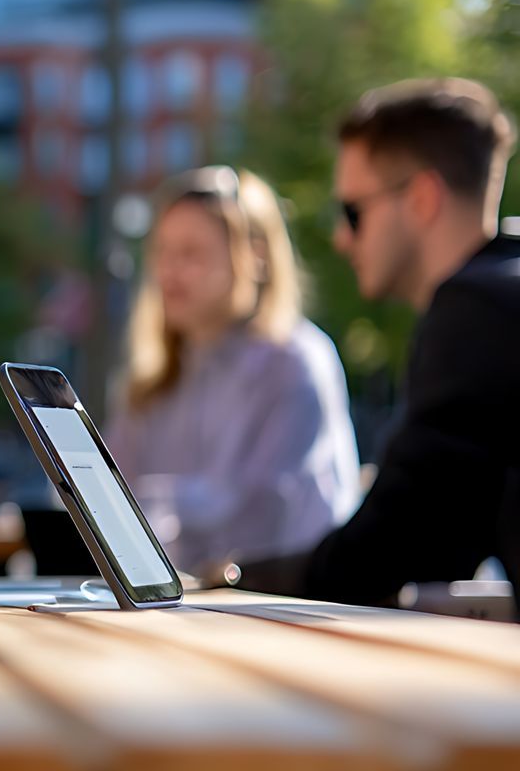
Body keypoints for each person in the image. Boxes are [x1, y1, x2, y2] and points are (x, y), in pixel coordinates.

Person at [231, 78, 520, 606]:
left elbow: (392, 543)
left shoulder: (476, 310)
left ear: (423, 198)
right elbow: (445, 539)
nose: (341, 238)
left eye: (352, 212)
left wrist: (229, 578)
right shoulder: (501, 296)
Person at [105, 166, 360, 571]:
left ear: (255, 255)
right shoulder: (153, 379)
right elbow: (106, 502)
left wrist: (151, 505)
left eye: (191, 254)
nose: (169, 271)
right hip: (181, 605)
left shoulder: (293, 362)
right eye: (163, 252)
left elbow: (260, 519)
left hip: (284, 607)